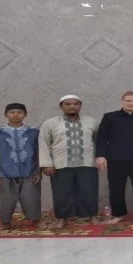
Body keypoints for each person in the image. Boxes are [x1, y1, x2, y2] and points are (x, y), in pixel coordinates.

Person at [39, 95, 100, 229]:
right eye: (68, 104)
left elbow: (99, 141)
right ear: (61, 106)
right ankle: (62, 218)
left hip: (87, 162)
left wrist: (100, 157)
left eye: (75, 104)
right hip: (61, 164)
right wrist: (46, 164)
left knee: (89, 190)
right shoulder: (50, 123)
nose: (72, 106)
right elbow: (43, 143)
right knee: (62, 193)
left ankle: (92, 216)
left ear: (80, 106)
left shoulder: (91, 122)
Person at [96, 91, 133, 224]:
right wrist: (100, 155)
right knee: (116, 187)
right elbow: (101, 137)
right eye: (128, 100)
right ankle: (118, 214)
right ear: (122, 101)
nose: (131, 103)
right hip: (115, 158)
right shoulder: (110, 117)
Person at [0, 103, 42, 231]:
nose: (16, 115)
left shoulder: (33, 132)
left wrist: (38, 171)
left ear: (25, 115)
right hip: (5, 171)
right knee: (6, 199)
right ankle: (5, 222)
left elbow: (38, 152)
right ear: (6, 114)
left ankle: (35, 220)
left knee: (32, 198)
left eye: (19, 112)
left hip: (29, 170)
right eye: (12, 112)